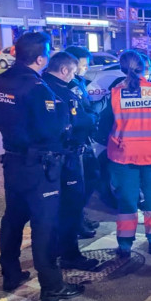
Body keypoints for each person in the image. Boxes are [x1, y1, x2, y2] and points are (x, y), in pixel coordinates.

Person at [0, 32, 84, 301]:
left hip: (12, 162)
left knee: (13, 219)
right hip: (40, 167)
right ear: (40, 58)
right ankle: (52, 286)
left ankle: (11, 273)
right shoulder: (38, 88)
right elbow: (52, 129)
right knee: (45, 225)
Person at [96, 51, 151, 257]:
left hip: (124, 156)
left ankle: (125, 245)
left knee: (127, 201)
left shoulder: (114, 94)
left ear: (122, 69)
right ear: (145, 68)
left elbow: (102, 127)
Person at [42, 52, 99, 271]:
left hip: (47, 159)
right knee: (70, 206)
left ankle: (54, 251)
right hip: (67, 156)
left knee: (52, 208)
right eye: (73, 71)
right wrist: (93, 118)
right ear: (64, 70)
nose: (74, 76)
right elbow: (81, 121)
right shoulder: (62, 92)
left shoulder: (40, 86)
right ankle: (69, 255)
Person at [64, 46, 102, 238]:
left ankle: (79, 217)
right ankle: (76, 222)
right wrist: (99, 108)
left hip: (83, 139)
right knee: (79, 184)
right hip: (75, 141)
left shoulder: (79, 82)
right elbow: (82, 113)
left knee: (90, 178)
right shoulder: (70, 85)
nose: (86, 67)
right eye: (84, 64)